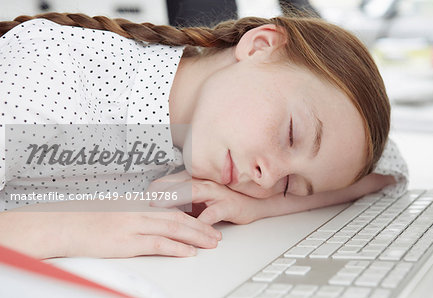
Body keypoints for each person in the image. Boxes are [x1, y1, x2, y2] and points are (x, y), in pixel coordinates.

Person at [0, 10, 408, 260]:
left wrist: (259, 207)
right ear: (260, 46)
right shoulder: (46, 75)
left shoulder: (214, 134)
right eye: (289, 135)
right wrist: (71, 228)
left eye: (288, 184)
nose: (265, 177)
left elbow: (390, 168)